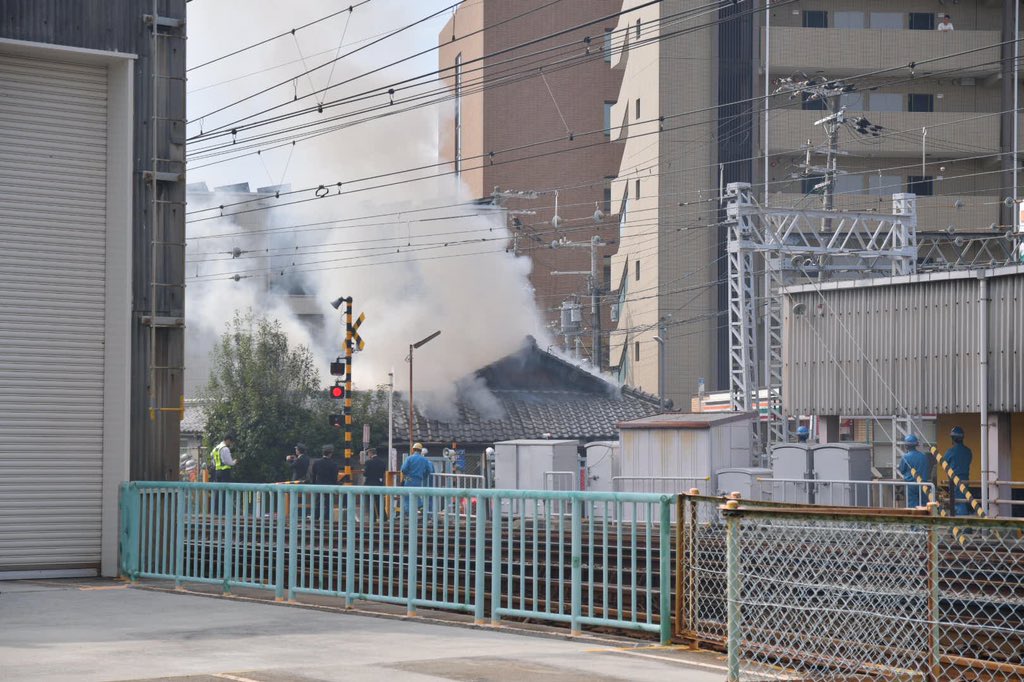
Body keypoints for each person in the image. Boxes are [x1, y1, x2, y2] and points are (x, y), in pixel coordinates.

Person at [897, 434, 933, 508]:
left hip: (911, 485)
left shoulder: (905, 457)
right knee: (924, 505)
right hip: (923, 484)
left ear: (906, 446)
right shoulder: (924, 456)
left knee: (912, 506)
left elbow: (902, 470)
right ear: (916, 444)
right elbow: (928, 469)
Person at [944, 426, 973, 516]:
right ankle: (962, 526)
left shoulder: (950, 451)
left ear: (952, 438)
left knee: (958, 502)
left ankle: (961, 526)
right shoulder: (968, 451)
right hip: (965, 479)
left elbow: (944, 463)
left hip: (954, 480)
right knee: (964, 499)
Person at [309, 445, 341, 521]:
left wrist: (314, 484)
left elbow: (313, 475)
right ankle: (327, 518)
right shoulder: (333, 464)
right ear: (330, 454)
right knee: (328, 503)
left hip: (319, 485)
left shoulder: (317, 463)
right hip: (329, 486)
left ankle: (316, 517)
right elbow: (334, 477)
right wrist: (335, 486)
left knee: (318, 502)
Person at [401, 442, 435, 512]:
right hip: (418, 480)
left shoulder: (409, 458)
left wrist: (407, 475)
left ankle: (408, 513)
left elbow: (403, 469)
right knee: (417, 496)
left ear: (413, 449)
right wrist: (424, 476)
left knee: (408, 497)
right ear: (421, 450)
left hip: (409, 480)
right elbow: (429, 470)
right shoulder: (424, 460)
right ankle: (421, 507)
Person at [362, 448, 388, 519]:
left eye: (368, 454)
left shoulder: (368, 462)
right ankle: (383, 518)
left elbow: (365, 474)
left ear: (370, 453)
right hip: (379, 483)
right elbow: (382, 473)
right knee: (379, 501)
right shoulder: (382, 462)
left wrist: (364, 471)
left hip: (369, 484)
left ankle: (373, 518)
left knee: (370, 502)